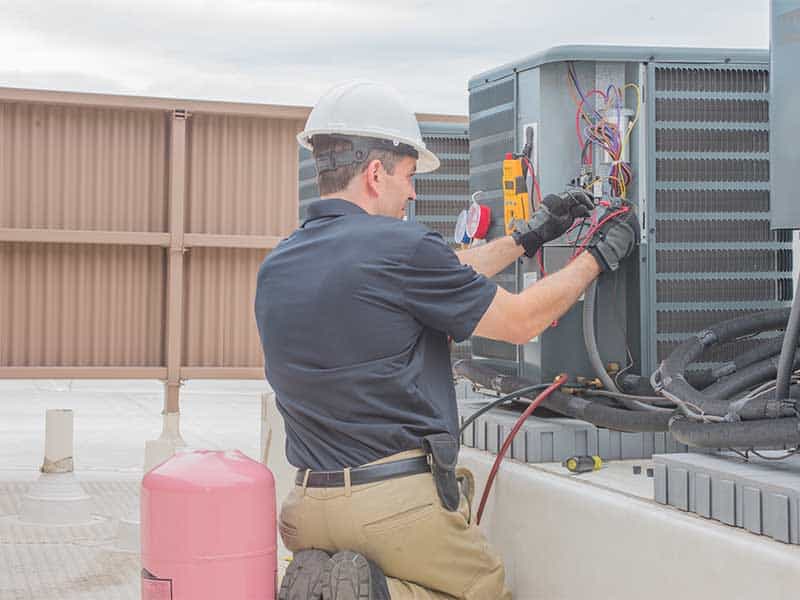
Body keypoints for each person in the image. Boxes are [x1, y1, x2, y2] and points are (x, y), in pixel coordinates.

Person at [254, 80, 638, 600]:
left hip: (307, 507)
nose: (414, 193)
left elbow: (449, 271)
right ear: (374, 173)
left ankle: (327, 586)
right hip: (391, 505)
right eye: (409, 178)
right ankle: (379, 594)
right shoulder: (402, 248)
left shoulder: (280, 263)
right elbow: (522, 320)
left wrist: (530, 236)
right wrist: (597, 254)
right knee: (483, 591)